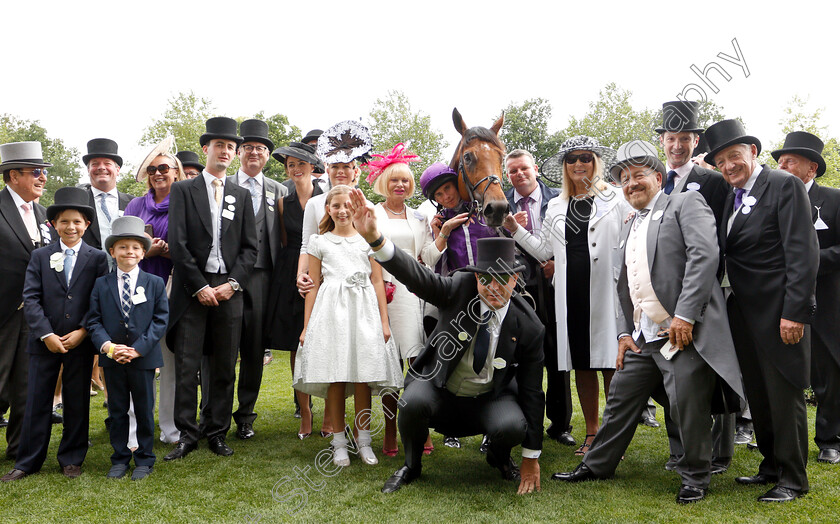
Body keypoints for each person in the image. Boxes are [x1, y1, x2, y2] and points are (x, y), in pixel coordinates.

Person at [552, 141, 744, 504]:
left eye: (638, 175)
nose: (631, 184)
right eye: (624, 178)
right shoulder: (629, 221)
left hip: (684, 331)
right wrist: (624, 332)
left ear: (658, 177)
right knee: (621, 400)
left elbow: (705, 257)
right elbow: (624, 282)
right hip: (643, 336)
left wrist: (685, 315)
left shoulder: (684, 203)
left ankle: (695, 477)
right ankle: (597, 464)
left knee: (687, 406)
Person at [350, 188, 544, 495]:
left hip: (490, 397)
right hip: (441, 390)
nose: (493, 287)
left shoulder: (530, 326)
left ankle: (499, 457)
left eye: (502, 279)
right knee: (411, 402)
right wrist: (376, 239)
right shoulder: (458, 287)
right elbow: (417, 276)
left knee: (511, 425)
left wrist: (531, 458)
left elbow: (533, 392)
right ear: (475, 276)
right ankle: (411, 466)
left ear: (515, 279)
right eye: (485, 278)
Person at [707, 119, 818, 502]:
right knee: (759, 392)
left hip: (778, 311)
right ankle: (770, 465)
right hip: (742, 311)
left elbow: (803, 252)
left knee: (783, 395)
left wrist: (796, 312)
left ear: (753, 152)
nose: (728, 166)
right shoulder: (731, 194)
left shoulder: (783, 185)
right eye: (721, 161)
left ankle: (793, 479)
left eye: (734, 156)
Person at [507, 136, 628, 456]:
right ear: (564, 166)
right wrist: (514, 229)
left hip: (606, 292)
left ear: (595, 163)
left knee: (611, 365)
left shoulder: (615, 198)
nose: (578, 165)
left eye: (585, 158)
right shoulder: (557, 206)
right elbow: (543, 250)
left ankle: (614, 432)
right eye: (572, 160)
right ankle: (591, 432)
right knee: (583, 365)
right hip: (570, 294)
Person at [165, 117, 257, 461]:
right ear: (207, 149)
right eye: (219, 145)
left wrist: (232, 285)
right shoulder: (182, 190)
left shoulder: (241, 195)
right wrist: (200, 285)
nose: (225, 152)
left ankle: (216, 431)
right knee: (188, 365)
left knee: (222, 365)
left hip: (229, 288)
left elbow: (251, 248)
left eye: (231, 147)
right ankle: (187, 434)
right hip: (193, 288)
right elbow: (178, 242)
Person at [2, 187, 109, 482]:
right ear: (53, 224)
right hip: (44, 342)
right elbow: (31, 298)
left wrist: (83, 331)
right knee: (36, 399)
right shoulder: (40, 256)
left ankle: (72, 458)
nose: (70, 227)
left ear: (86, 224)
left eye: (77, 221)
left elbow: (98, 300)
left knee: (76, 399)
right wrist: (45, 333)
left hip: (79, 341)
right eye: (64, 221)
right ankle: (28, 460)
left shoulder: (98, 258)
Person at [293, 186, 402, 467]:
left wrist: (384, 321)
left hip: (363, 311)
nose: (342, 211)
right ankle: (339, 442)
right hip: (332, 313)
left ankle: (363, 440)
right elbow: (313, 286)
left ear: (356, 209)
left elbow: (378, 281)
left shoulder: (368, 241)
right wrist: (307, 327)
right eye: (336, 205)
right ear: (327, 209)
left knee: (363, 377)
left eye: (347, 206)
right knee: (337, 377)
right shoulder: (319, 242)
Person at [656, 101, 736, 474]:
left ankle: (720, 453)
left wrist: (704, 289)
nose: (677, 146)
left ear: (695, 140)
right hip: (664, 294)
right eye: (671, 138)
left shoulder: (714, 182)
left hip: (706, 290)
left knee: (713, 367)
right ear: (663, 141)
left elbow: (721, 237)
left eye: (684, 139)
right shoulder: (655, 181)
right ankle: (680, 449)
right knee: (675, 373)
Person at [366, 144, 444, 455]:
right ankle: (388, 429)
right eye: (395, 180)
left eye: (406, 180)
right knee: (389, 364)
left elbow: (427, 258)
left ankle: (419, 429)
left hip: (413, 293)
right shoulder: (372, 213)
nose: (401, 185)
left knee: (417, 363)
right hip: (384, 292)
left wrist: (444, 234)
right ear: (384, 182)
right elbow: (367, 253)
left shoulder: (420, 218)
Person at [773, 131, 840, 465]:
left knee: (827, 371)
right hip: (781, 301)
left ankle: (831, 439)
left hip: (826, 302)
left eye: (789, 161)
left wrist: (808, 261)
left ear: (811, 168)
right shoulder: (773, 200)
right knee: (784, 370)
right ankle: (777, 435)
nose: (782, 167)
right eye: (780, 162)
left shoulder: (834, 200)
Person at [417, 162, 493, 450]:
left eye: (448, 188)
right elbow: (429, 263)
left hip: (488, 298)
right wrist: (444, 232)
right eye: (438, 194)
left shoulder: (485, 212)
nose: (446, 196)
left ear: (457, 185)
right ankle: (449, 426)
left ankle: (488, 426)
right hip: (456, 300)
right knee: (452, 362)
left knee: (486, 359)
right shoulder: (437, 223)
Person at [87, 216, 169, 480]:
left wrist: (138, 349)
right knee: (117, 409)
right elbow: (94, 320)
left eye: (135, 247)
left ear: (143, 252)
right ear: (112, 251)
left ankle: (144, 458)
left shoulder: (155, 282)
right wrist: (109, 348)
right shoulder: (101, 284)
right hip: (113, 358)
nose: (129, 252)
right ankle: (120, 458)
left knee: (144, 410)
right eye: (123, 247)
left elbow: (160, 320)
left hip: (142, 358)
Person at [503, 148, 575, 448]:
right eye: (512, 171)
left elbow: (575, 238)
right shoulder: (499, 202)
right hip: (517, 288)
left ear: (534, 168)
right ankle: (516, 421)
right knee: (515, 357)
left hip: (553, 285)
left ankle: (560, 424)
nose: (519, 175)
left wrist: (559, 262)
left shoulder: (559, 198)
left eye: (523, 169)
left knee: (558, 353)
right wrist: (509, 231)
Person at [228, 119, 288, 441]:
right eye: (248, 147)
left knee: (254, 351)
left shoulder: (279, 191)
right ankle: (217, 414)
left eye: (260, 149)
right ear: (239, 152)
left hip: (264, 278)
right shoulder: (224, 186)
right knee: (224, 350)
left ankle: (246, 416)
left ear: (266, 155)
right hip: (228, 277)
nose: (254, 153)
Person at [124, 137, 184, 445]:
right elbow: (122, 249)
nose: (157, 173)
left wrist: (168, 251)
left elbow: (195, 249)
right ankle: (135, 431)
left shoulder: (186, 201)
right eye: (152, 169)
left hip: (174, 291)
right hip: (138, 292)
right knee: (137, 361)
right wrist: (144, 252)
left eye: (163, 167)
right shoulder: (135, 205)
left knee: (169, 361)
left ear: (176, 171)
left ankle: (170, 429)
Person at [266, 141, 325, 438]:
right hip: (291, 270)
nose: (296, 168)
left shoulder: (326, 199)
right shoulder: (281, 202)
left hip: (323, 271)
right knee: (295, 342)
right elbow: (286, 242)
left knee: (325, 340)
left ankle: (330, 411)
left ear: (312, 167)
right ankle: (304, 408)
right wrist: (293, 275)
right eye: (290, 164)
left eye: (301, 163)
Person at [0, 141, 53, 462]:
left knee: (27, 386)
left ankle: (18, 449)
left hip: (36, 317)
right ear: (13, 175)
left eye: (44, 171)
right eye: (36, 172)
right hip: (3, 314)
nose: (43, 177)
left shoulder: (46, 216)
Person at [80, 138, 135, 251]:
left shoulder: (133, 203)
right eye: (95, 164)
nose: (101, 167)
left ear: (117, 170)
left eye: (107, 163)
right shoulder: (78, 202)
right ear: (88, 170)